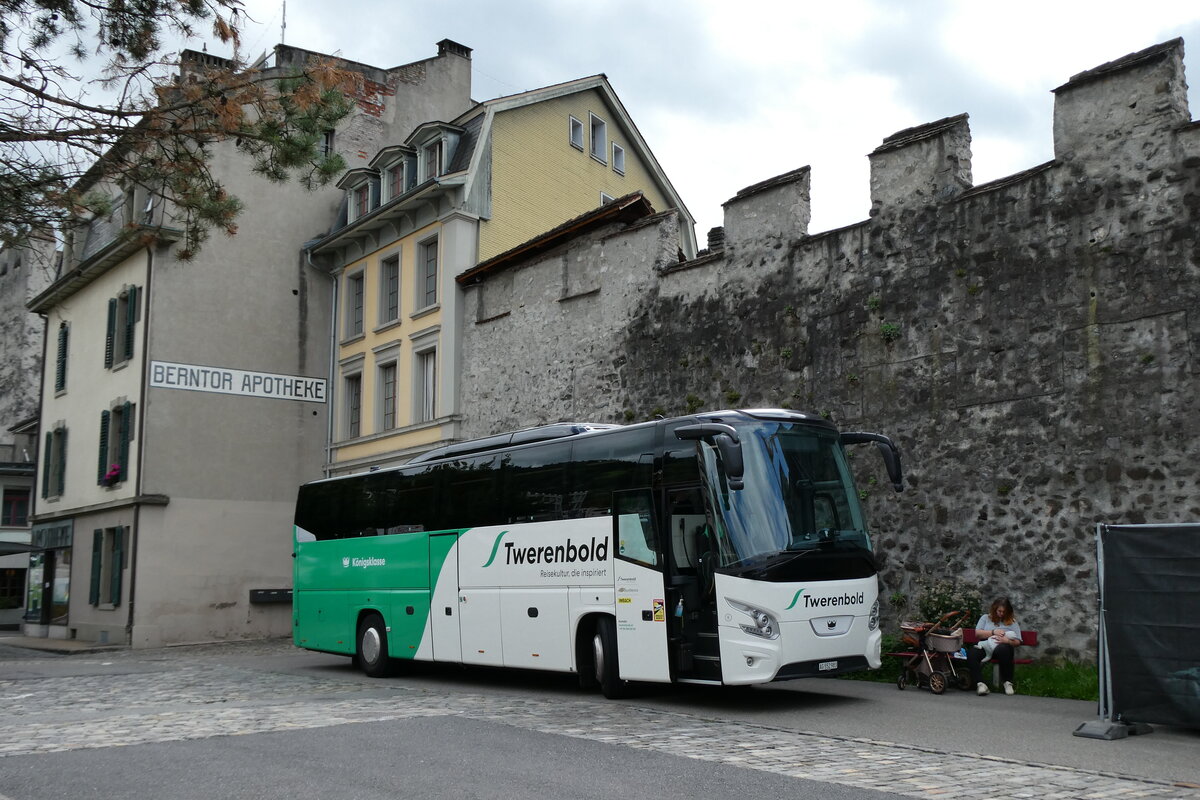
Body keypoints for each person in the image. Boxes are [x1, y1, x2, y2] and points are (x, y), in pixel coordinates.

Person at [968, 597, 1022, 696]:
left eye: (1004, 612)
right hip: (986, 645)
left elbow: (1018, 641)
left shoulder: (1012, 622)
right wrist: (993, 632)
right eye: (999, 611)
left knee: (1004, 649)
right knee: (972, 653)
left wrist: (1007, 641)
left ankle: (1007, 682)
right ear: (994, 609)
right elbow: (978, 633)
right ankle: (980, 684)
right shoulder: (985, 618)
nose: (1001, 613)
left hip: (1002, 648)